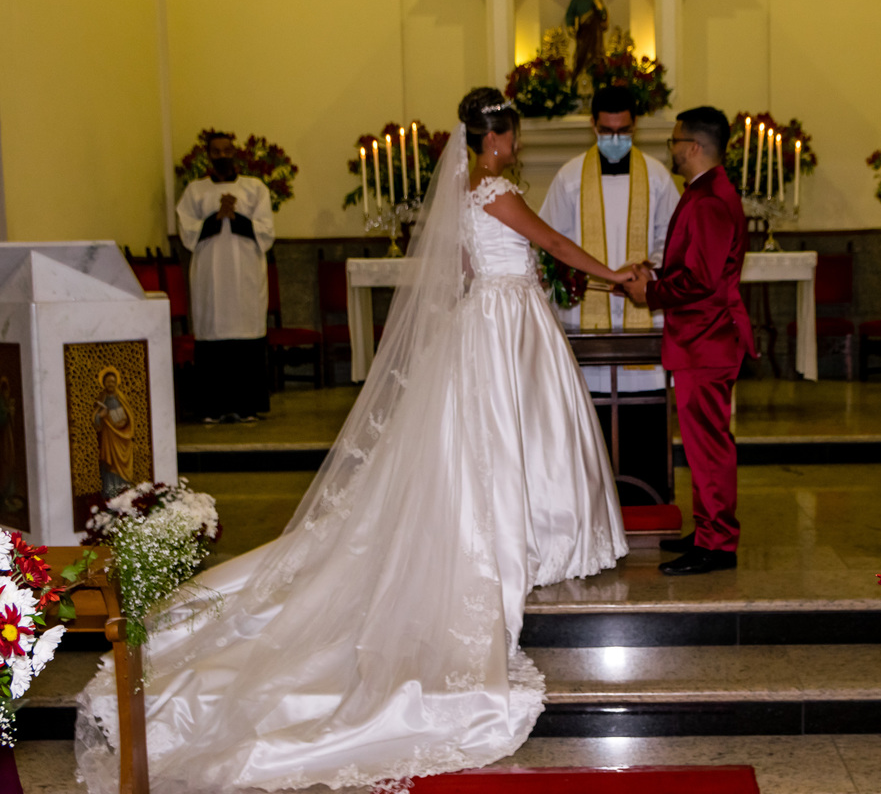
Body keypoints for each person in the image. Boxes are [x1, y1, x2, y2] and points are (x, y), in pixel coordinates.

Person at [76, 88, 632, 794]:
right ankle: (526, 536)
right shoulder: (496, 189)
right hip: (507, 320)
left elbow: (463, 271)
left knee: (484, 443)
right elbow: (550, 243)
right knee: (510, 435)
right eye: (512, 136)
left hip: (484, 318)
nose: (514, 147)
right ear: (499, 138)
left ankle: (517, 529)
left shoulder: (465, 195)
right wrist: (613, 273)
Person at [623, 106, 754, 576]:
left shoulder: (709, 200)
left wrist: (650, 292)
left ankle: (718, 544)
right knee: (701, 444)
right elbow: (700, 267)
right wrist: (655, 274)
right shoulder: (705, 193)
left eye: (675, 142)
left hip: (706, 339)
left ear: (694, 147)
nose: (671, 150)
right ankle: (706, 530)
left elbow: (700, 280)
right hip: (701, 338)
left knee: (709, 445)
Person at [540, 85, 679, 502]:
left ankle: (649, 499)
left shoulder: (657, 176)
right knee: (591, 413)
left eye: (623, 130)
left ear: (634, 126)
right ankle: (592, 508)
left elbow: (672, 239)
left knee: (645, 413)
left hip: (642, 314)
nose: (614, 138)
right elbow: (551, 241)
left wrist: (645, 268)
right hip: (586, 316)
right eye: (606, 130)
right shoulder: (568, 178)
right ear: (593, 126)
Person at [176, 132, 274, 424]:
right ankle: (212, 407)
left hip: (245, 273)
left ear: (236, 153)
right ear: (208, 156)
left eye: (226, 150)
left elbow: (266, 230)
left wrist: (236, 216)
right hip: (211, 275)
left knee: (247, 334)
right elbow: (187, 231)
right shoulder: (195, 190)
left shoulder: (254, 188)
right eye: (216, 152)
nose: (222, 156)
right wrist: (216, 217)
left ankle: (247, 406)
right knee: (213, 334)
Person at [92, 366, 135, 498]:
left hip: (123, 437)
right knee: (110, 465)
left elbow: (130, 416)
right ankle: (111, 493)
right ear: (104, 383)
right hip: (108, 438)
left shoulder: (121, 397)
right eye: (108, 381)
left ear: (116, 382)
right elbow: (95, 419)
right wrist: (101, 415)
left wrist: (124, 422)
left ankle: (125, 492)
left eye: (113, 381)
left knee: (123, 464)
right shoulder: (102, 399)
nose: (111, 384)